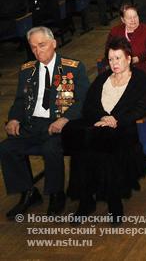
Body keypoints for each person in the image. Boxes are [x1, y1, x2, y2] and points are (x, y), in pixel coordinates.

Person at [61, 37, 146, 224]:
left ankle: (114, 202)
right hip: (98, 127)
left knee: (105, 151)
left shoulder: (140, 80)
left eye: (118, 58)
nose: (114, 63)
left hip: (124, 130)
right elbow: (88, 106)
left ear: (128, 58)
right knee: (80, 149)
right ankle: (85, 201)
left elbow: (141, 108)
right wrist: (103, 117)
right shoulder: (103, 78)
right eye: (110, 59)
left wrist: (115, 119)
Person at [1, 27, 89, 218]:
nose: (37, 51)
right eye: (33, 48)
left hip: (59, 125)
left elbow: (84, 101)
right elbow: (20, 100)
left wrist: (65, 119)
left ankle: (57, 194)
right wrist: (15, 118)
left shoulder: (73, 67)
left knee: (51, 148)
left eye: (41, 45)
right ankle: (28, 192)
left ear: (53, 43)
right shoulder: (27, 70)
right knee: (7, 149)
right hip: (32, 124)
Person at [106, 5, 146, 74]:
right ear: (123, 20)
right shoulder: (115, 32)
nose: (133, 20)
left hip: (140, 68)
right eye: (129, 18)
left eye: (135, 17)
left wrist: (138, 58)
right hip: (118, 68)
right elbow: (108, 50)